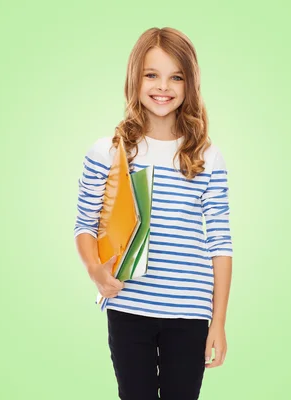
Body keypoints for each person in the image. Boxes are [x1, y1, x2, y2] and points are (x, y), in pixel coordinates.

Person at [73, 27, 233, 400]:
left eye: (176, 76)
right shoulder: (109, 152)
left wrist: (219, 321)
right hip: (129, 305)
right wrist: (96, 271)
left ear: (190, 84)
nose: (163, 87)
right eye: (152, 75)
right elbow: (84, 225)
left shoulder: (207, 157)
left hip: (189, 313)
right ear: (135, 78)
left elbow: (220, 242)